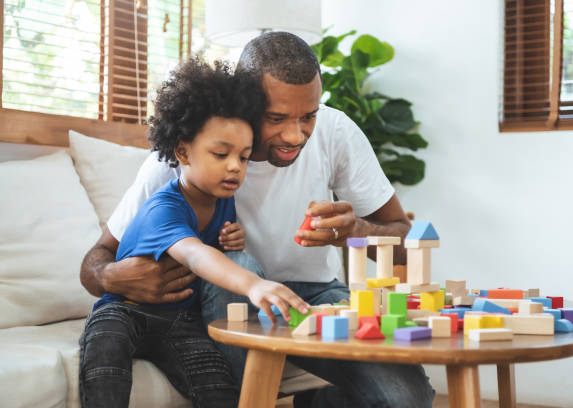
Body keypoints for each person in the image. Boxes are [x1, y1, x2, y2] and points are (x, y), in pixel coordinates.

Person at [81, 32, 435, 407]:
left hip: (314, 295)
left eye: (308, 116)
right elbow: (96, 261)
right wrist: (114, 277)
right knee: (238, 261)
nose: (295, 135)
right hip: (226, 298)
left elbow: (403, 248)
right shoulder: (186, 157)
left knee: (407, 399)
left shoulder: (336, 132)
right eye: (276, 117)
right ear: (246, 102)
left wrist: (355, 233)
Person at [79, 58, 308, 408]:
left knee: (220, 388)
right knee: (104, 367)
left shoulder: (223, 199)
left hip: (179, 321)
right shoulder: (164, 208)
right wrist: (254, 284)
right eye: (221, 154)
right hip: (123, 310)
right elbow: (194, 253)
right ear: (183, 151)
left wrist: (234, 240)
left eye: (244, 157)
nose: (235, 166)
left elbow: (211, 249)